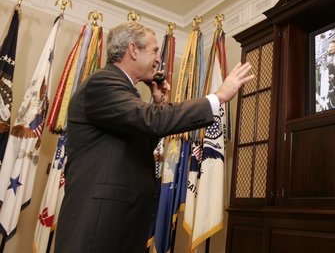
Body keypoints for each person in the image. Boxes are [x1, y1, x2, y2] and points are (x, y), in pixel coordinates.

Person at [54, 21, 254, 253]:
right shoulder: (103, 82)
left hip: (119, 220)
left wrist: (158, 102)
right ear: (133, 49)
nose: (159, 59)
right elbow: (152, 120)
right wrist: (217, 97)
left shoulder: (124, 90)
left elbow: (139, 138)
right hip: (99, 222)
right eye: (154, 50)